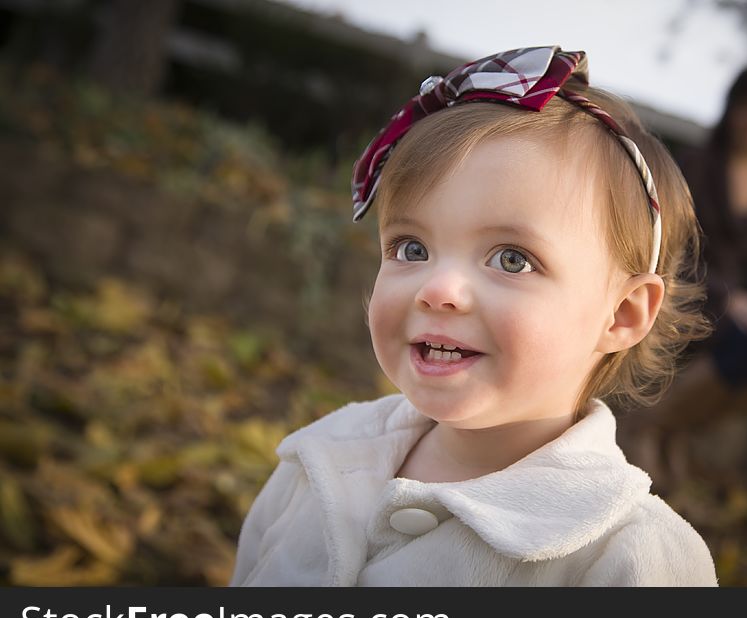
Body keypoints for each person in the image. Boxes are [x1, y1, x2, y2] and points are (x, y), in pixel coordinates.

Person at [230, 46, 717, 586]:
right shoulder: (323, 457)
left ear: (621, 314)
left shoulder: (630, 560)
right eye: (412, 248)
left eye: (512, 259)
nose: (438, 290)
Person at [618, 67, 747, 487]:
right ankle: (649, 426)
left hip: (738, 306)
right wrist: (733, 297)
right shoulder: (697, 164)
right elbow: (676, 250)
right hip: (690, 291)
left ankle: (673, 427)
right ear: (731, 111)